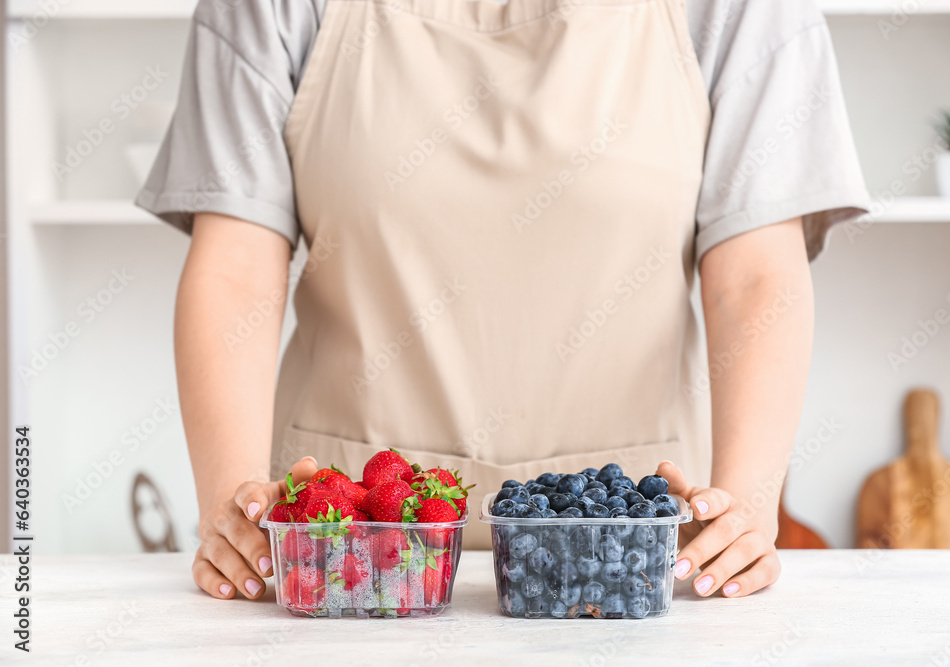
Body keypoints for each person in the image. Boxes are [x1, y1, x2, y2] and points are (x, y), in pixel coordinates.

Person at [138, 0, 869, 603]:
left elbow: (754, 279)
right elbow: (235, 266)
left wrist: (743, 505)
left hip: (636, 572)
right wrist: (234, 509)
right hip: (346, 569)